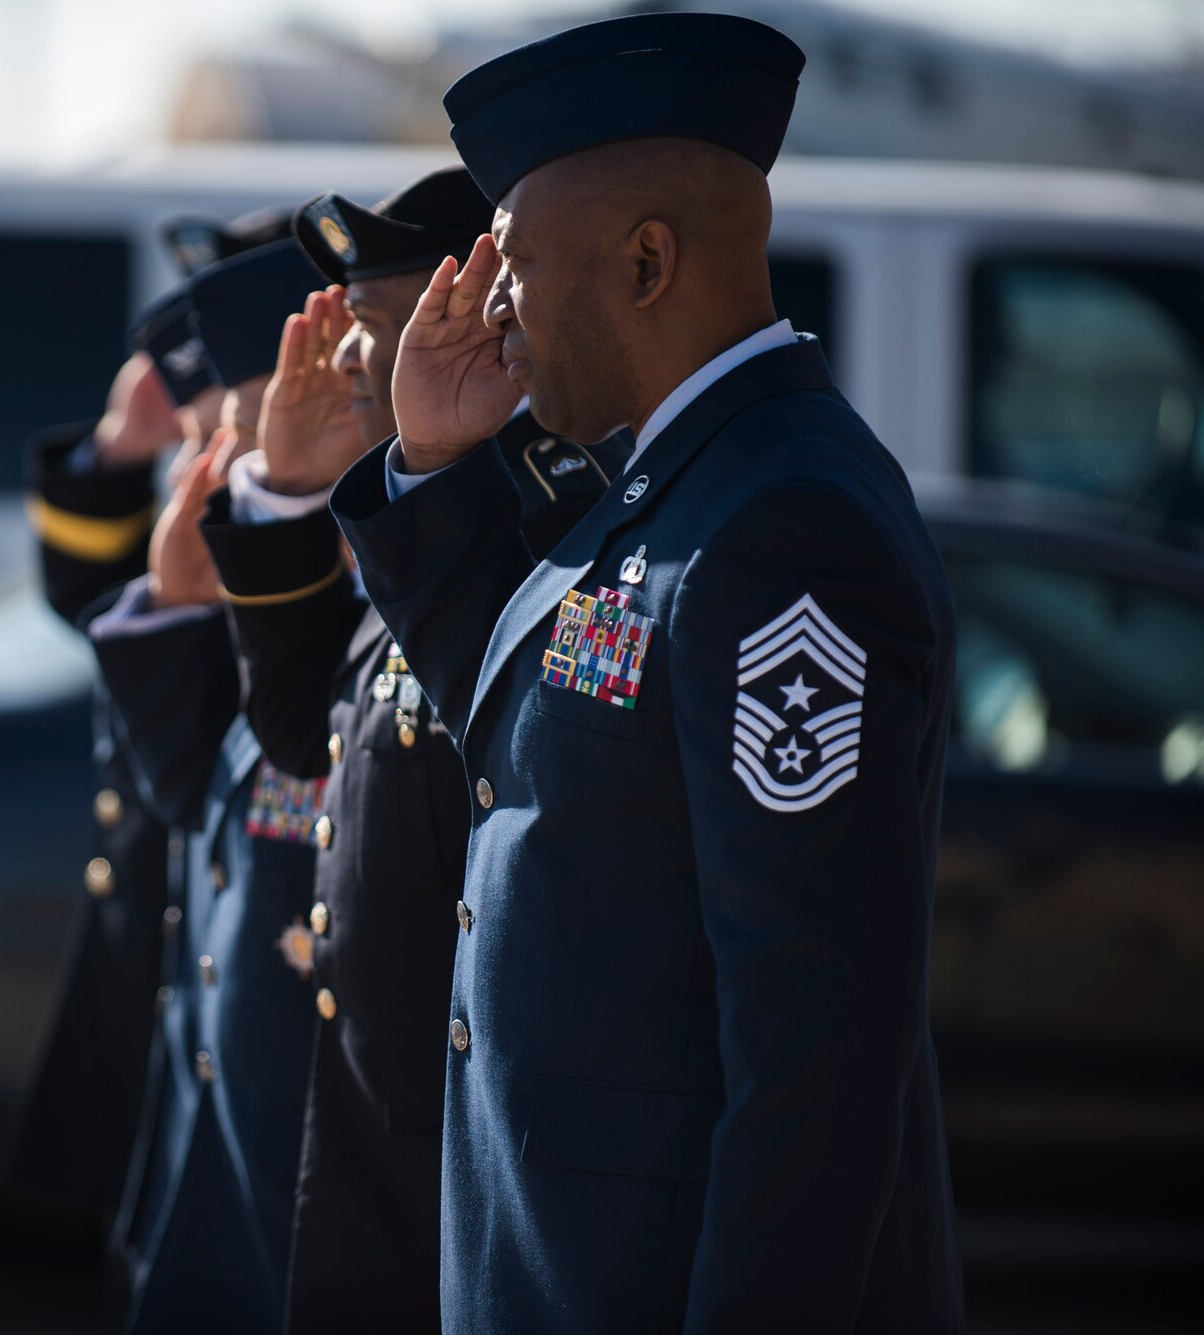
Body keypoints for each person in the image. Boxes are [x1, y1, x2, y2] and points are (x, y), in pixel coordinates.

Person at [329, 13, 965, 1332]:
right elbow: (526, 745)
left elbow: (817, 1048)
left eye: (515, 262)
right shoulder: (666, 488)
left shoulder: (786, 520)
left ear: (648, 260)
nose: (494, 305)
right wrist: (440, 468)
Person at [193, 166, 625, 1333]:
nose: (342, 364)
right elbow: (302, 735)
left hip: (473, 1176)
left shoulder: (532, 537)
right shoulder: (415, 534)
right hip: (384, 1160)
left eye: (373, 328)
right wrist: (282, 490)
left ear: (469, 325)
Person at [0, 210, 287, 1260]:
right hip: (167, 941)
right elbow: (90, 596)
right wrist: (122, 448)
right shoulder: (205, 481)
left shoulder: (287, 500)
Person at [88, 237, 330, 1335]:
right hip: (219, 1163)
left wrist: (184, 605)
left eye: (219, 443)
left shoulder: (341, 614)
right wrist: (175, 602)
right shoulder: (251, 604)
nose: (195, 483)